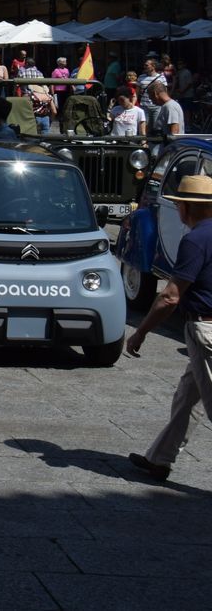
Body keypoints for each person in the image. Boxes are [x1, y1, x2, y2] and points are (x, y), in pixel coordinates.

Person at [126, 174, 212, 481]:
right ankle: (159, 458)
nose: (177, 210)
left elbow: (171, 296)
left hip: (206, 331)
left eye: (178, 205)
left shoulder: (196, 239)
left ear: (188, 208)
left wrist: (141, 331)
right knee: (187, 396)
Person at [148, 82, 184, 155]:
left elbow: (175, 130)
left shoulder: (169, 106)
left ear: (155, 94)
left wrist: (169, 151)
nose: (152, 102)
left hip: (171, 151)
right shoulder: (168, 105)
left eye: (151, 98)